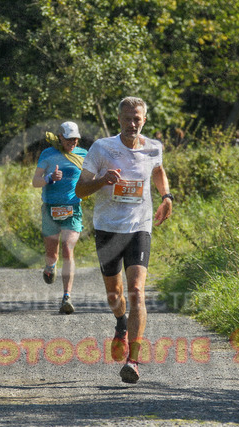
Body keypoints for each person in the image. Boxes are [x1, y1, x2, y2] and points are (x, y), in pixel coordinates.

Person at [75, 97, 173, 384]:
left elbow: (158, 170)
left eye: (137, 118)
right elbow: (80, 190)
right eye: (128, 118)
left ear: (144, 119)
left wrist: (166, 196)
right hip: (107, 228)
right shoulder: (102, 148)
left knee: (137, 291)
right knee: (115, 296)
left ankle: (133, 360)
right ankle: (120, 323)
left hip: (139, 227)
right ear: (118, 119)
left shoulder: (154, 147)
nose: (132, 123)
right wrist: (102, 180)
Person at [32, 122, 88, 315]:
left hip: (73, 209)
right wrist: (49, 178)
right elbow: (35, 181)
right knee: (52, 254)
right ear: (60, 137)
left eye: (76, 139)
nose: (73, 142)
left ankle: (66, 297)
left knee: (67, 248)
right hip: (50, 209)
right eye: (69, 139)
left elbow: (92, 176)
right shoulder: (47, 154)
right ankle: (50, 266)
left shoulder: (83, 154)